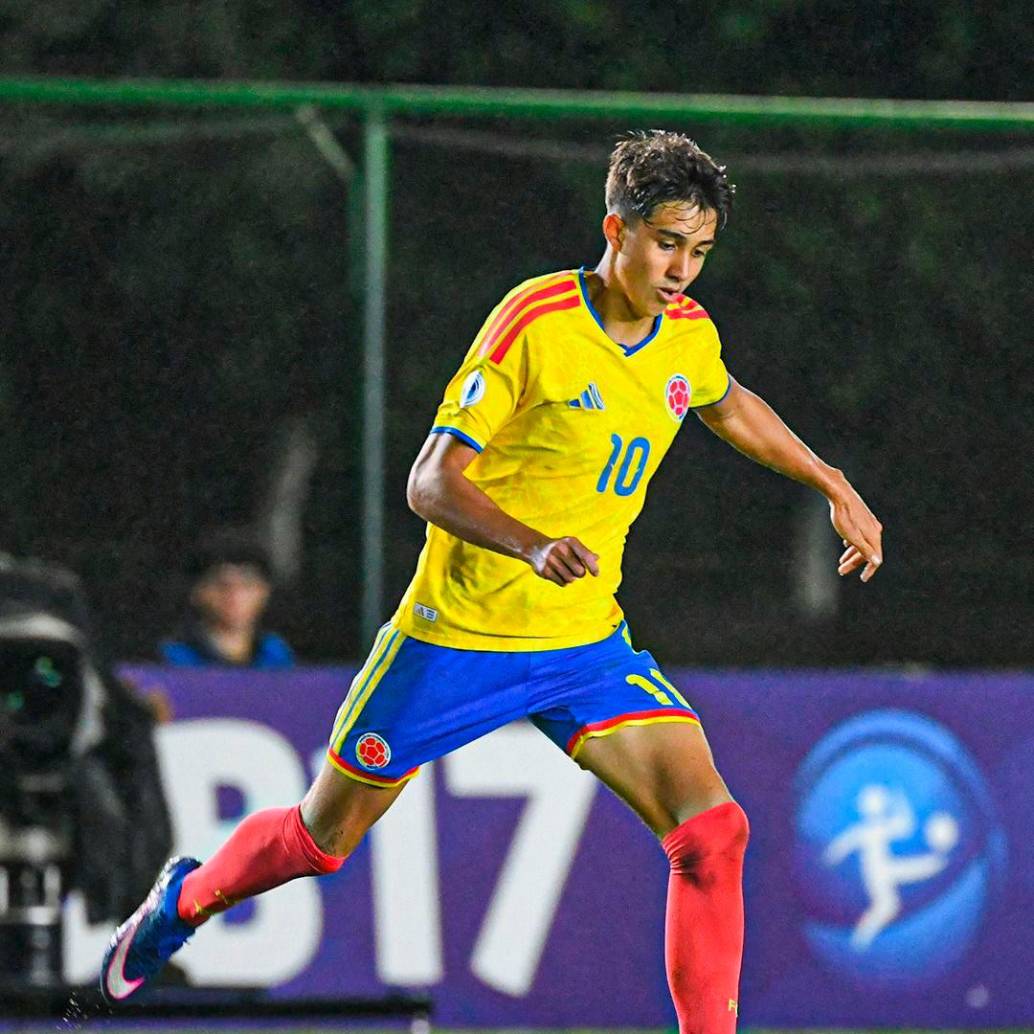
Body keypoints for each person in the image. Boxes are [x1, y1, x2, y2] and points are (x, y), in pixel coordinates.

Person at [100, 131, 882, 1031]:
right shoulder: (538, 321)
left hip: (584, 643)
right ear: (615, 229)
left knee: (713, 833)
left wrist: (829, 480)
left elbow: (724, 399)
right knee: (322, 841)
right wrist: (530, 543)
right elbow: (429, 481)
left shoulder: (686, 335)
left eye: (699, 251)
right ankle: (183, 903)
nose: (682, 270)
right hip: (457, 636)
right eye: (667, 243)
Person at [158, 530, 294, 669]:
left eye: (247, 584)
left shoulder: (276, 654)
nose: (234, 596)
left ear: (265, 591)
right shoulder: (173, 658)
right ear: (196, 592)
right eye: (221, 585)